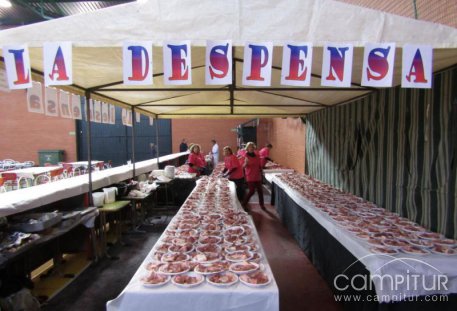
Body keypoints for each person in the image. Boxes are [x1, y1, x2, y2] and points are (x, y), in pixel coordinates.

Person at [241, 142, 265, 211]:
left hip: (257, 175)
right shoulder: (245, 156)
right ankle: (244, 203)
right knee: (252, 191)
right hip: (250, 175)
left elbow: (259, 164)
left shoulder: (257, 155)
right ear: (247, 148)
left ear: (254, 148)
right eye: (249, 147)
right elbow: (242, 166)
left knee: (260, 191)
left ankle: (262, 204)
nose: (251, 148)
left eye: (252, 147)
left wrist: (261, 170)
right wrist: (245, 163)